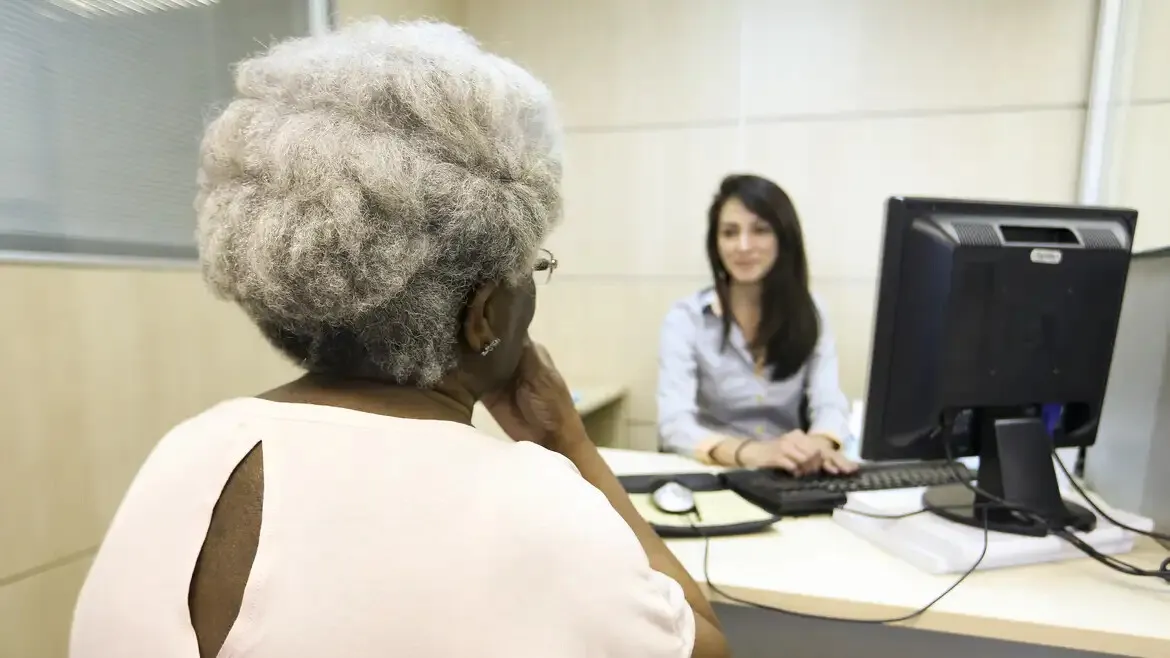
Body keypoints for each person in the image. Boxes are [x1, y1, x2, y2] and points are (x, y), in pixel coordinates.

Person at [70, 20, 727, 658]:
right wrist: (571, 444)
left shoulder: (186, 455)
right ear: (485, 314)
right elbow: (705, 641)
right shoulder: (543, 506)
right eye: (533, 268)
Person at [657, 174, 857, 475]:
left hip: (790, 473)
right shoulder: (686, 318)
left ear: (783, 238)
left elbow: (829, 402)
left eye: (760, 230)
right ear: (716, 243)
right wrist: (752, 453)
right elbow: (674, 424)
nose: (744, 245)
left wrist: (819, 444)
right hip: (717, 472)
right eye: (729, 232)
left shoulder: (811, 311)